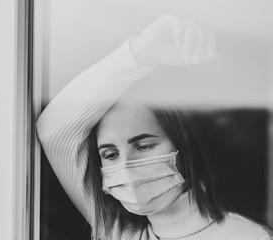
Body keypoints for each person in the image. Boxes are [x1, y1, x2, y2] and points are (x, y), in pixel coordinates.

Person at [37, 14, 273, 240]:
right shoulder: (120, 233)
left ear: (183, 145)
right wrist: (140, 53)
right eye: (111, 154)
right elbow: (55, 130)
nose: (127, 168)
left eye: (143, 145)